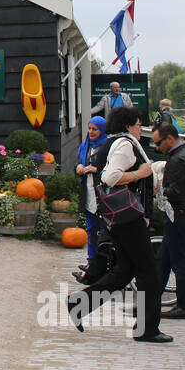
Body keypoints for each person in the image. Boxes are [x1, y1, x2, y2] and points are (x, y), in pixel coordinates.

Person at [66, 106, 170, 343]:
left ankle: (79, 304)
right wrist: (141, 174)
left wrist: (149, 171)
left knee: (125, 270)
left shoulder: (111, 144)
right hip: (128, 217)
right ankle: (147, 329)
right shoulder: (124, 144)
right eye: (137, 124)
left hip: (118, 217)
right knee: (149, 271)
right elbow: (110, 177)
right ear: (128, 125)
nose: (139, 128)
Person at [152, 122, 185, 319]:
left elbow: (177, 193)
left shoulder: (177, 160)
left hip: (180, 216)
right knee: (163, 262)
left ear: (170, 139)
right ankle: (150, 304)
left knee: (179, 263)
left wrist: (159, 189)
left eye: (158, 143)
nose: (157, 148)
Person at [72, 115, 108, 282]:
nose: (91, 132)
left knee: (102, 230)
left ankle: (102, 266)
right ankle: (90, 262)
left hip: (102, 194)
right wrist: (79, 167)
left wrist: (95, 169)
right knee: (91, 229)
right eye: (90, 128)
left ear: (101, 130)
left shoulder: (107, 147)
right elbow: (79, 163)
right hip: (88, 192)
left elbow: (110, 170)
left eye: (95, 129)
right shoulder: (85, 146)